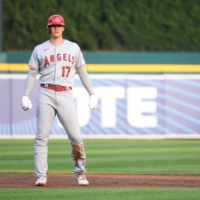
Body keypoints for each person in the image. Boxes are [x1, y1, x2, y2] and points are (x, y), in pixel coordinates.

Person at [21, 14, 98, 186]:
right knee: (41, 137)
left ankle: (80, 173)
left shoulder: (73, 47)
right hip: (46, 93)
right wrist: (25, 95)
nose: (56, 28)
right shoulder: (39, 49)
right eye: (53, 25)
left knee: (76, 138)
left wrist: (92, 93)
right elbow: (32, 74)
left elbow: (82, 72)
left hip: (66, 94)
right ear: (48, 28)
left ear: (63, 28)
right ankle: (41, 176)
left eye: (59, 25)